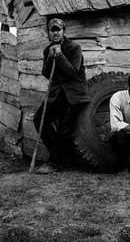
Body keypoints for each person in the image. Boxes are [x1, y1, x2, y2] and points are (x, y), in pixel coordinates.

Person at [33, 18, 90, 174]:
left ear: (64, 31)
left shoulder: (74, 48)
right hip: (56, 94)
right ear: (49, 33)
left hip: (74, 94)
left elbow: (73, 71)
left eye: (58, 29)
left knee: (64, 127)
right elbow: (46, 73)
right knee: (39, 120)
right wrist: (51, 57)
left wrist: (59, 56)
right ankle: (60, 157)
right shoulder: (47, 50)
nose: (55, 32)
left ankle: (55, 163)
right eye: (53, 30)